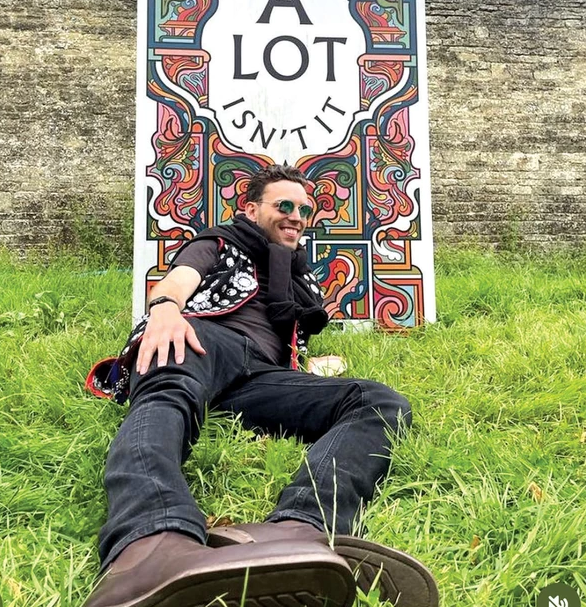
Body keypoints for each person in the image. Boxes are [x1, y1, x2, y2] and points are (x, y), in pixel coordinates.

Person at [83, 164, 438, 607]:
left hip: (260, 376)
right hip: (201, 338)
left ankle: (301, 530)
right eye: (283, 205)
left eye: (304, 209)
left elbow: (281, 338)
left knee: (376, 400)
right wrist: (166, 310)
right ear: (251, 209)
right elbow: (179, 279)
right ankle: (151, 543)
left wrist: (307, 366)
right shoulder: (219, 243)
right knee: (167, 396)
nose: (296, 216)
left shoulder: (294, 277)